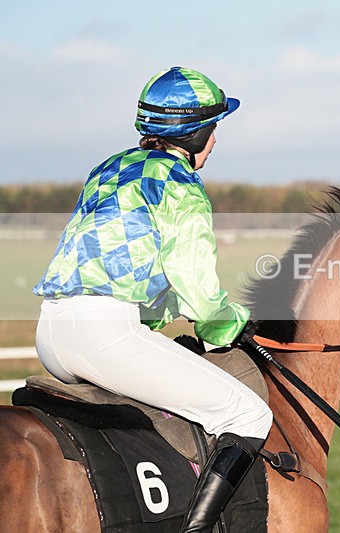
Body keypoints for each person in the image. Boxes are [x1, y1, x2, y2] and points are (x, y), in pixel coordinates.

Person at [33, 66, 270, 532]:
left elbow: (130, 273)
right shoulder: (181, 184)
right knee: (248, 413)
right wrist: (226, 323)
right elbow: (200, 293)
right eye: (215, 128)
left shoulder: (109, 168)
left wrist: (169, 312)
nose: (217, 141)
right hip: (105, 335)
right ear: (197, 132)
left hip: (51, 333)